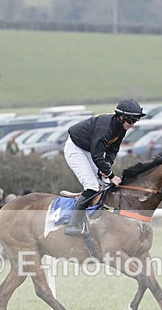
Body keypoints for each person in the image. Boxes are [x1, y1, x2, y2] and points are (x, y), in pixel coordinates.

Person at [62, 98, 145, 236]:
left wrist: (105, 170)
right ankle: (73, 224)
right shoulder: (105, 127)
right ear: (120, 117)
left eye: (135, 121)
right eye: (130, 121)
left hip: (89, 151)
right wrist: (111, 175)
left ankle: (96, 218)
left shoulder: (120, 128)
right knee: (92, 186)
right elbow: (97, 155)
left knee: (104, 183)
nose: (132, 124)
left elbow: (112, 151)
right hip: (75, 149)